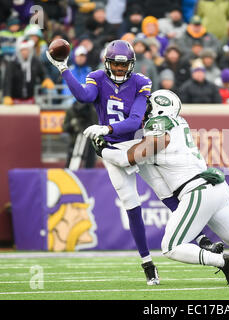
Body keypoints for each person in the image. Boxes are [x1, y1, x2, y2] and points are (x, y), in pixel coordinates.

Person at [91, 89, 229, 285]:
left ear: (158, 111)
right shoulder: (179, 123)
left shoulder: (158, 126)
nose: (143, 112)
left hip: (197, 190)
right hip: (213, 188)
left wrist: (104, 149)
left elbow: (130, 157)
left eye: (148, 107)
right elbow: (149, 168)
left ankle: (222, 261)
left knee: (170, 246)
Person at [46, 39, 159, 285]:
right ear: (107, 64)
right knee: (131, 203)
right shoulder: (97, 77)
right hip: (112, 148)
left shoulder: (141, 82)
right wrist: (64, 69)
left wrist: (105, 128)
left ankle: (201, 240)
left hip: (135, 145)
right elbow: (84, 97)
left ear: (131, 64)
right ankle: (147, 262)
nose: (120, 70)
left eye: (124, 65)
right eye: (116, 65)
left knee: (167, 191)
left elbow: (135, 120)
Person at [3, 39, 54, 105]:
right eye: (22, 50)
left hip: (30, 99)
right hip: (14, 100)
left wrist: (46, 79)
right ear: (19, 51)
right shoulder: (12, 64)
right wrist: (7, 95)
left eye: (26, 50)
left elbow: (43, 73)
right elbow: (7, 81)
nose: (24, 52)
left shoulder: (35, 62)